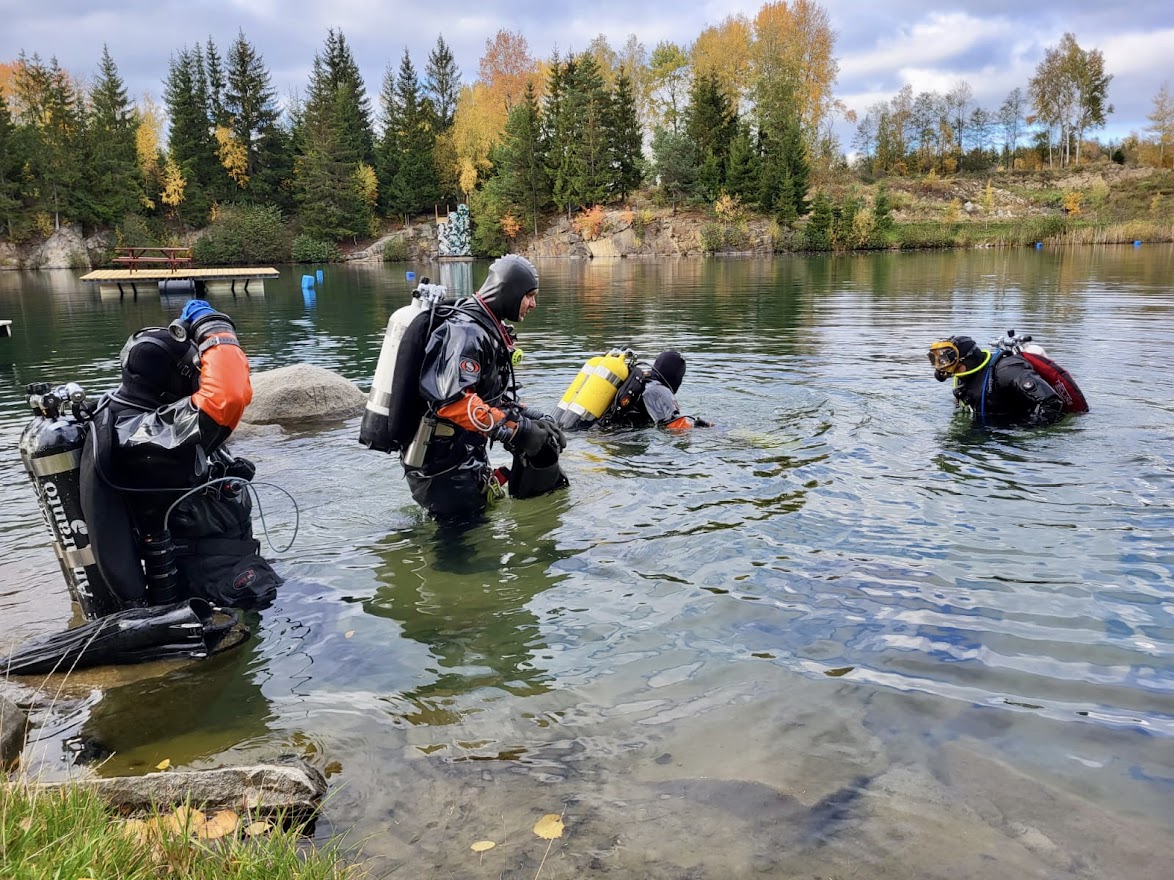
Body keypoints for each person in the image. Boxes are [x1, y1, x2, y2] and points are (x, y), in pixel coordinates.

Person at [80, 299, 281, 610]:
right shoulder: (147, 433)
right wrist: (212, 326)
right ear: (176, 375)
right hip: (208, 582)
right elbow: (229, 395)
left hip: (220, 563)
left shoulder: (131, 413)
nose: (200, 378)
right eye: (195, 370)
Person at [405, 254, 567, 519]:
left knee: (477, 524)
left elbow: (487, 396)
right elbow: (452, 402)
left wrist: (529, 417)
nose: (533, 304)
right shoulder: (466, 331)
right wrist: (516, 431)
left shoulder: (487, 328)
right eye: (529, 296)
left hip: (463, 456)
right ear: (510, 291)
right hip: (442, 465)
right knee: (462, 538)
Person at [928, 334, 1064, 426]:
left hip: (1012, 431)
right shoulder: (964, 376)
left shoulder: (1006, 371)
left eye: (957, 368)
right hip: (985, 427)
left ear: (969, 361)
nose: (954, 373)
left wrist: (1032, 429)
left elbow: (1052, 402)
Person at [596, 350, 709, 431]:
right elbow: (677, 429)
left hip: (599, 428)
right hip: (612, 436)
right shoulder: (660, 391)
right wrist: (704, 428)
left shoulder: (642, 379)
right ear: (676, 376)